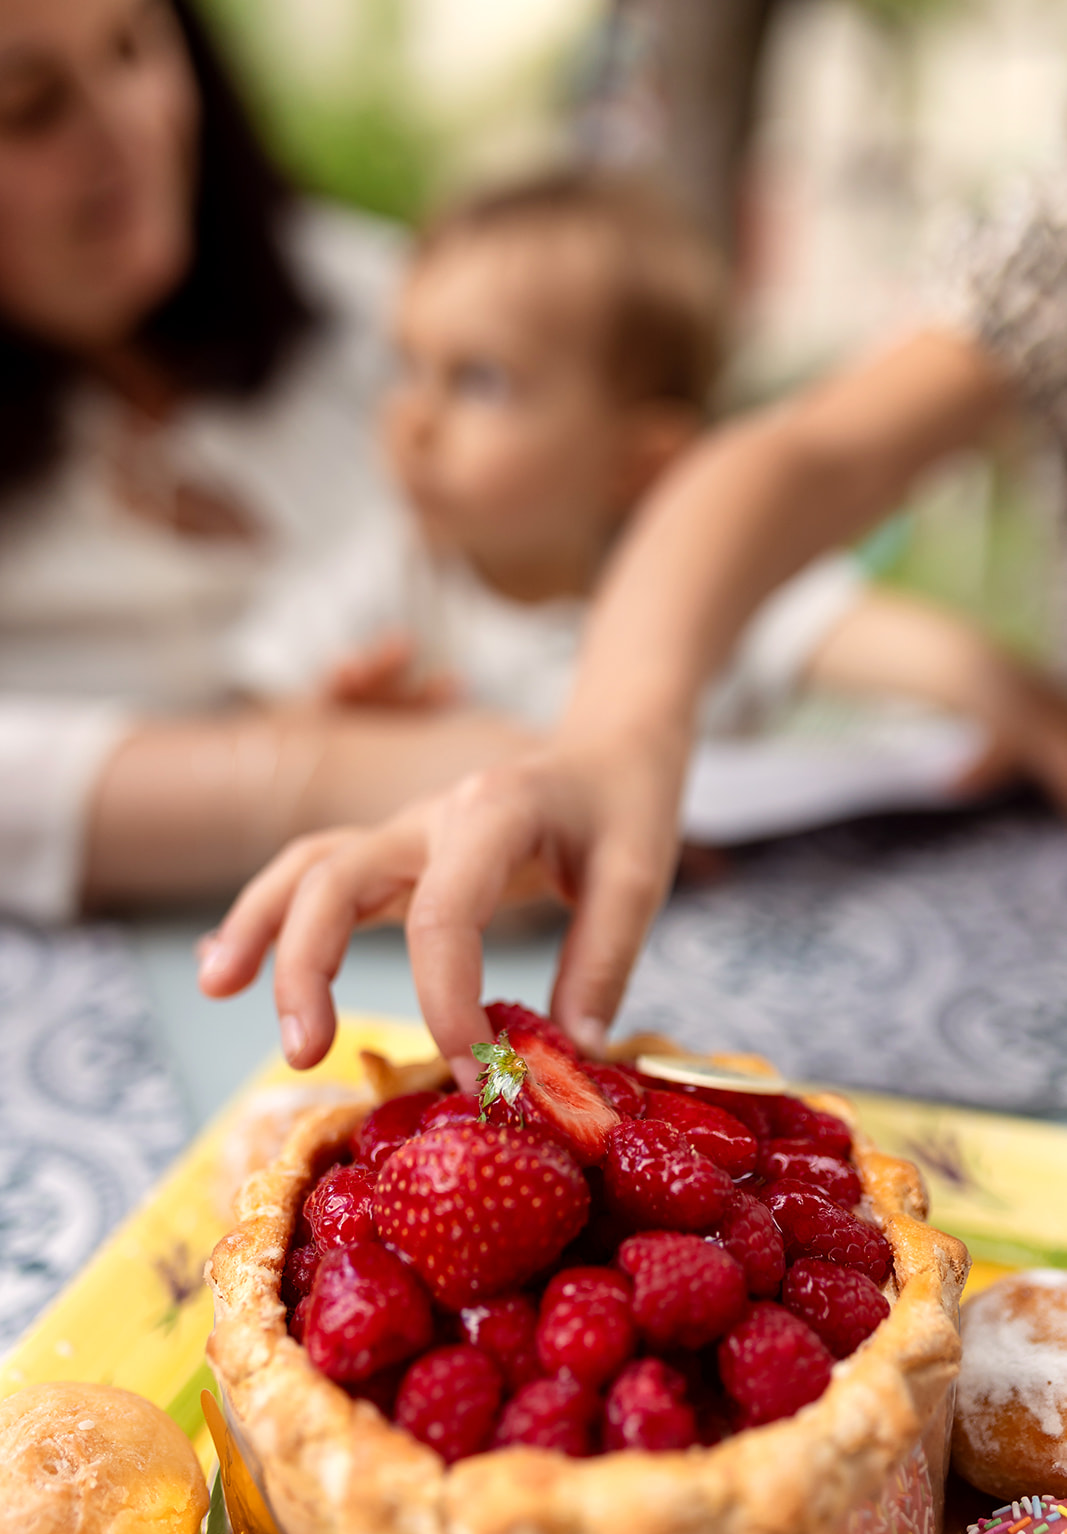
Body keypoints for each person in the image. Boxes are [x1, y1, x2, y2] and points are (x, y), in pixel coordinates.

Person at [200, 173, 1067, 1085]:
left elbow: (913, 647)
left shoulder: (728, 596)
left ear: (639, 460)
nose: (413, 418)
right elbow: (255, 732)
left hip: (703, 980)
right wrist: (335, 729)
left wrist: (1013, 701)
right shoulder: (391, 579)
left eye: (480, 380)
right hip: (446, 985)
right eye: (404, 367)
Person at [0, 0, 532, 924]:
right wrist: (311, 774)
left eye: (134, 46)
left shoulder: (360, 293)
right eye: (31, 104)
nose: (130, 125)